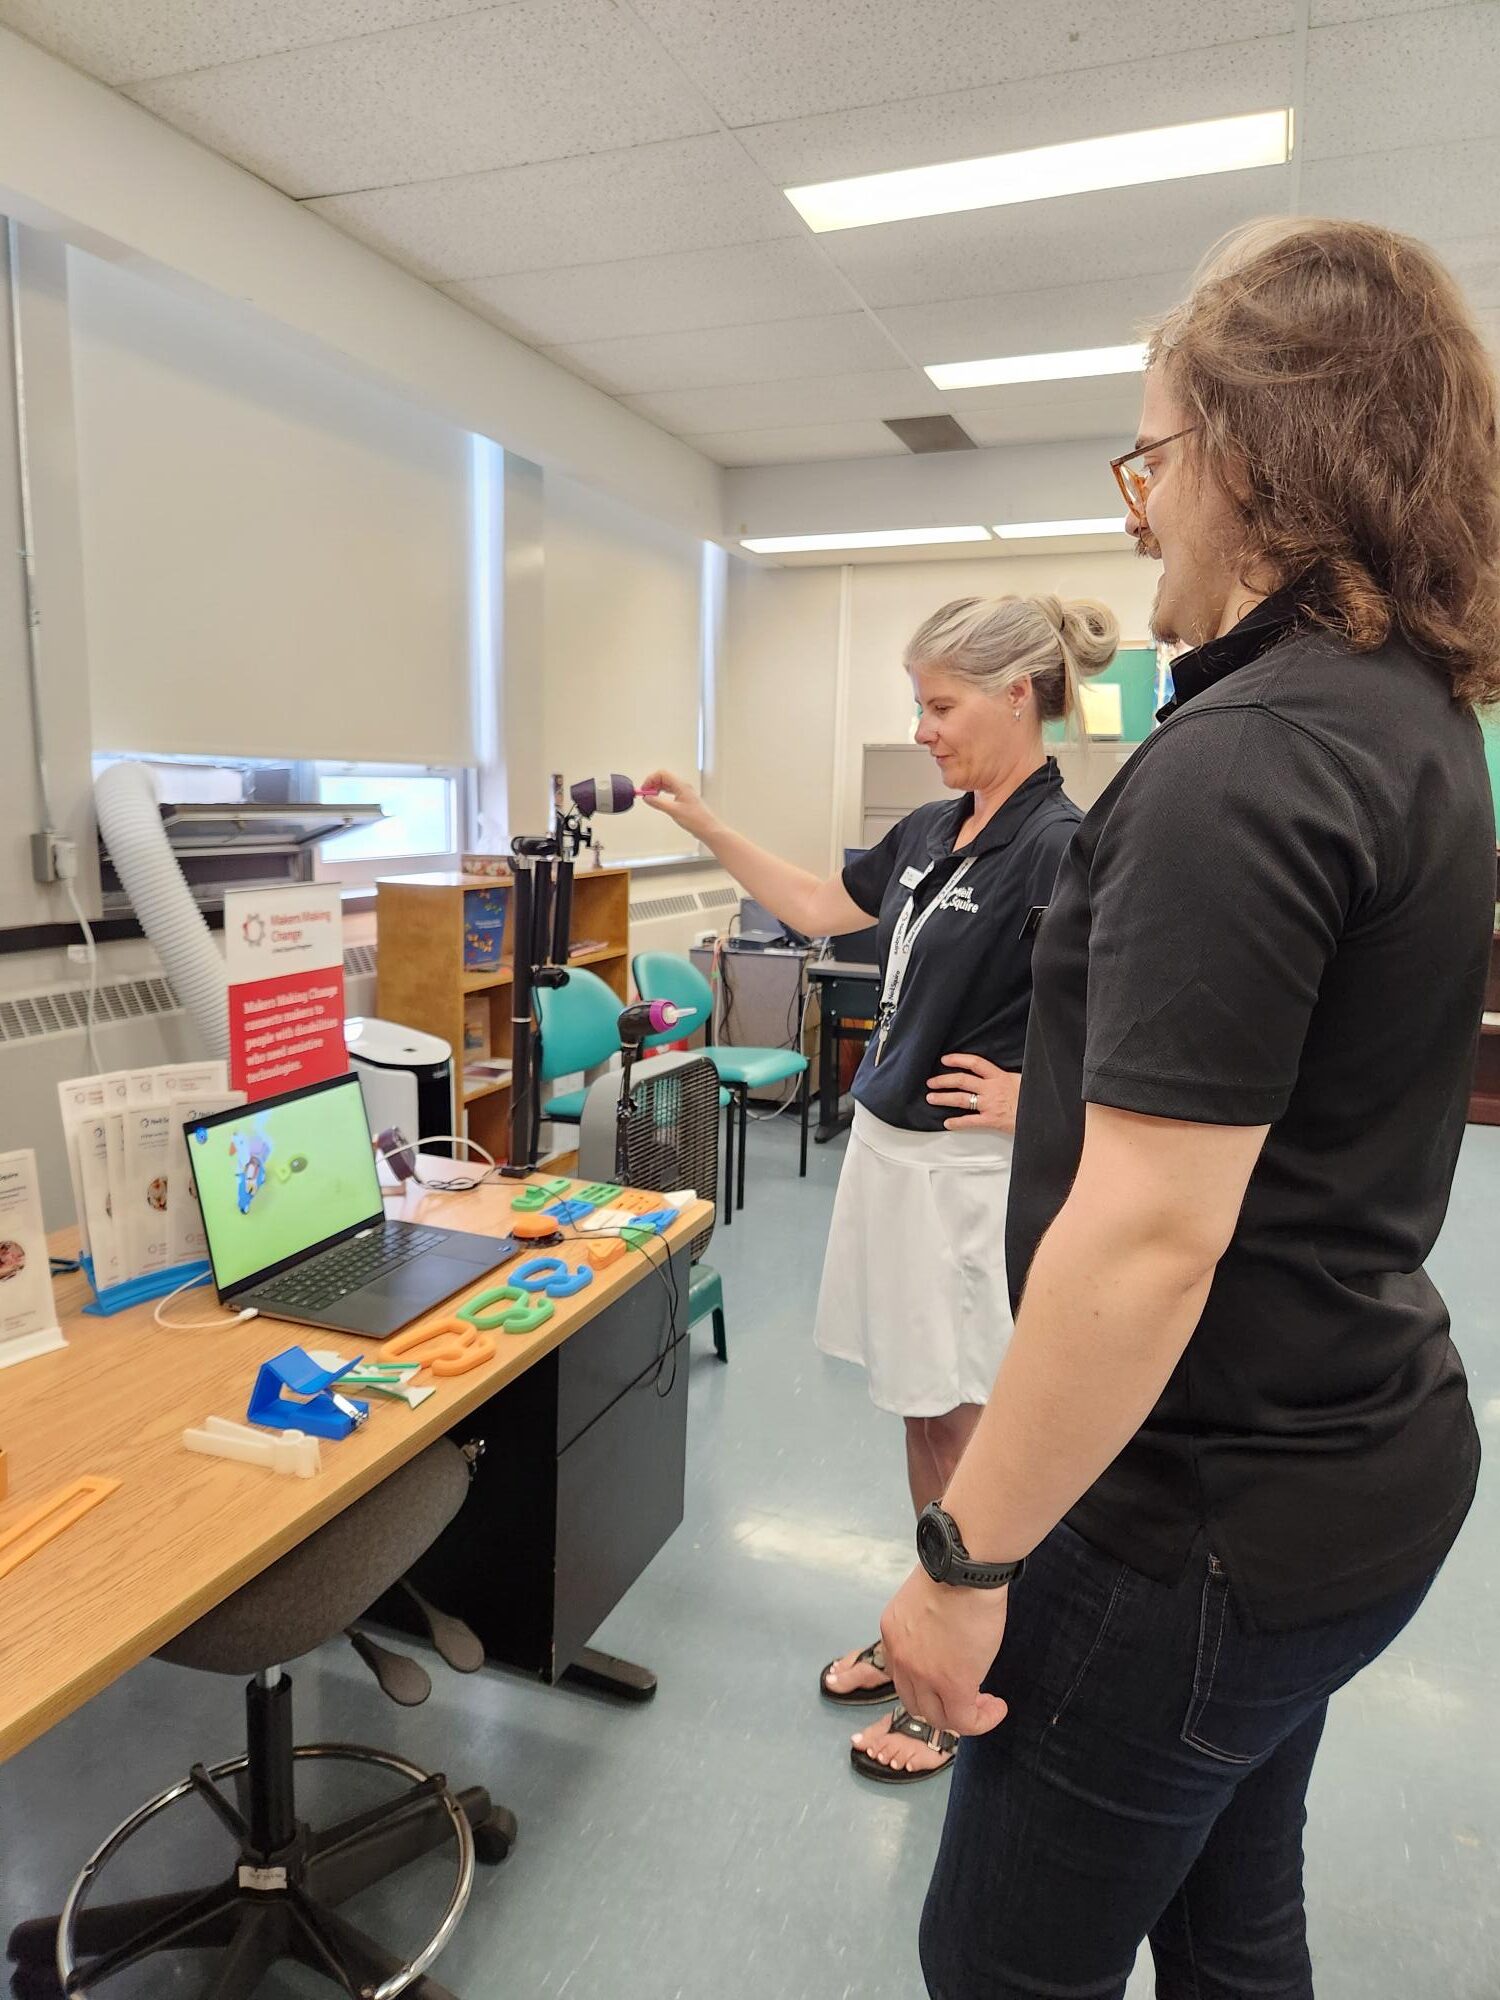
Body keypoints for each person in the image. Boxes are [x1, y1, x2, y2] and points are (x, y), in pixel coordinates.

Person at [876, 216, 1500, 1997]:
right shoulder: (1404, 720)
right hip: (1358, 1464)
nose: (1138, 507)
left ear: (1258, 453)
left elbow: (1148, 1240)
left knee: (1002, 1964)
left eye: (1154, 454)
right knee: (1236, 1920)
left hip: (1198, 1528)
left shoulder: (1243, 765)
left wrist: (961, 1559)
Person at [640, 591, 1117, 1782]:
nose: (923, 726)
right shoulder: (932, 828)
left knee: (968, 1422)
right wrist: (705, 822)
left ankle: (959, 1671)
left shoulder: (1061, 846)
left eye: (941, 703)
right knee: (925, 1411)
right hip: (892, 1160)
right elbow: (815, 905)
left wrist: (1040, 1096)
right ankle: (929, 1614)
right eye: (916, 703)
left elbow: (1140, 1013)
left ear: (1021, 695)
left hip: (970, 1178)